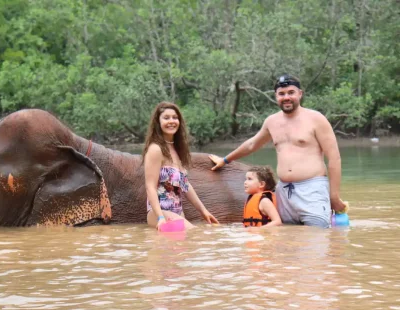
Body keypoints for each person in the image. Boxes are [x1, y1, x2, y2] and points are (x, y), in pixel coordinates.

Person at [209, 74, 346, 228]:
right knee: (285, 245)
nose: (286, 97)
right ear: (276, 96)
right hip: (283, 192)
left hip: (312, 190)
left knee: (316, 241)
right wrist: (225, 160)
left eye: (291, 92)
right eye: (281, 94)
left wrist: (334, 196)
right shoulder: (272, 121)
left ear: (300, 94)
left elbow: (334, 159)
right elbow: (252, 144)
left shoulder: (316, 119)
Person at [143, 101, 219, 230]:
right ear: (158, 122)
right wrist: (160, 218)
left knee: (184, 248)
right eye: (166, 118)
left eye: (175, 117)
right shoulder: (155, 149)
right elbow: (150, 186)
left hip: (177, 212)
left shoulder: (177, 150)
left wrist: (203, 211)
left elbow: (185, 185)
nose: (171, 121)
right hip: (160, 213)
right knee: (194, 234)